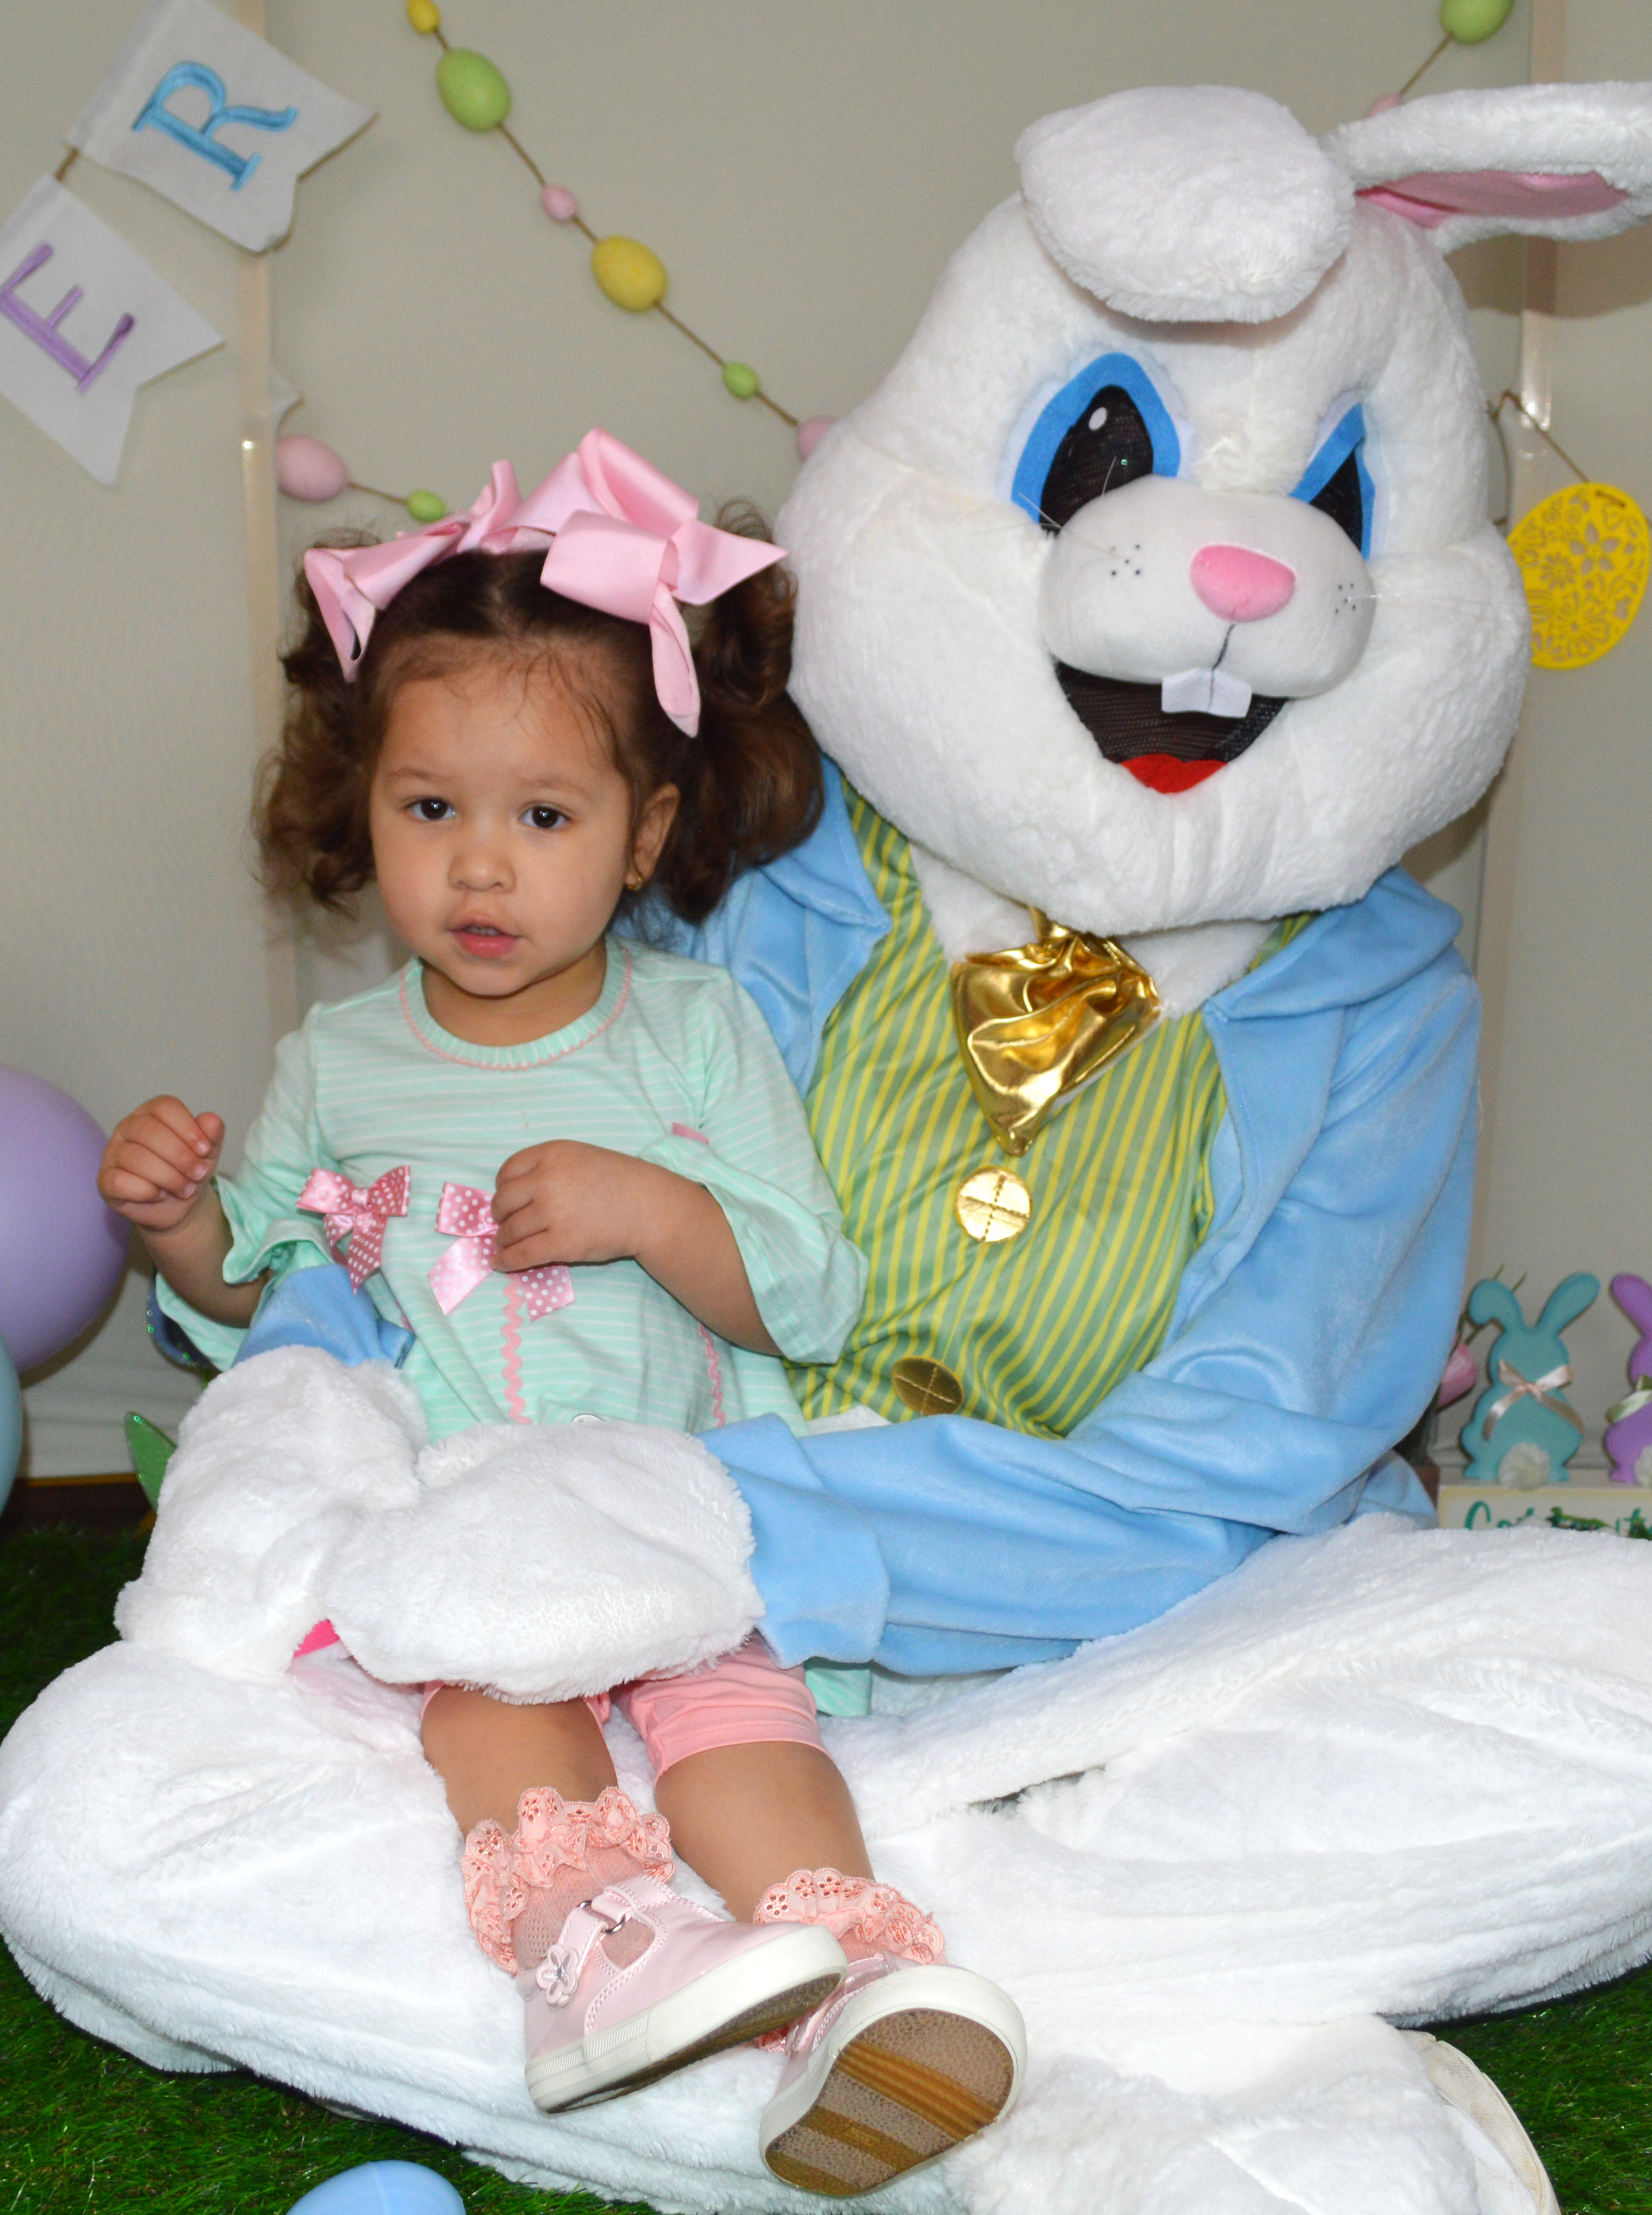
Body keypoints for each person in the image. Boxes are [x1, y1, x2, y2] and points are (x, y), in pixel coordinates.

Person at [96, 431, 1022, 2197]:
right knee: (489, 1673)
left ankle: (852, 1973)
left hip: (657, 1499)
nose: (481, 870)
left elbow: (804, 1292)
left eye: (543, 817)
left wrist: (651, 1211)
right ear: (362, 809)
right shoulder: (340, 1061)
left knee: (737, 1711)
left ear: (644, 832)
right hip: (444, 1516)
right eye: (430, 810)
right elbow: (271, 1311)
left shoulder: (693, 1037)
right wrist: (184, 1227)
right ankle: (596, 1952)